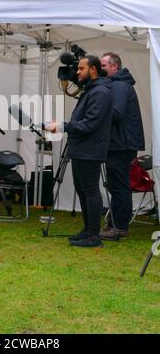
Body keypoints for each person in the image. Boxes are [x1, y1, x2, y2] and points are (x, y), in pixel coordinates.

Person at [45, 55, 112, 248]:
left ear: (93, 70)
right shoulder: (92, 90)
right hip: (82, 148)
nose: (77, 72)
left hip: (90, 150)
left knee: (90, 190)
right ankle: (87, 230)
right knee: (83, 190)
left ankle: (94, 235)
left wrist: (63, 126)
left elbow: (90, 124)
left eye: (81, 69)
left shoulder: (100, 92)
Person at [100, 52, 145, 240]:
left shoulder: (119, 85)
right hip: (121, 143)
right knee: (116, 184)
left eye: (103, 65)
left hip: (121, 144)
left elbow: (116, 113)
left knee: (119, 185)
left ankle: (119, 227)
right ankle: (115, 224)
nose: (100, 69)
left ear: (114, 67)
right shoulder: (119, 84)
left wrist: (96, 115)